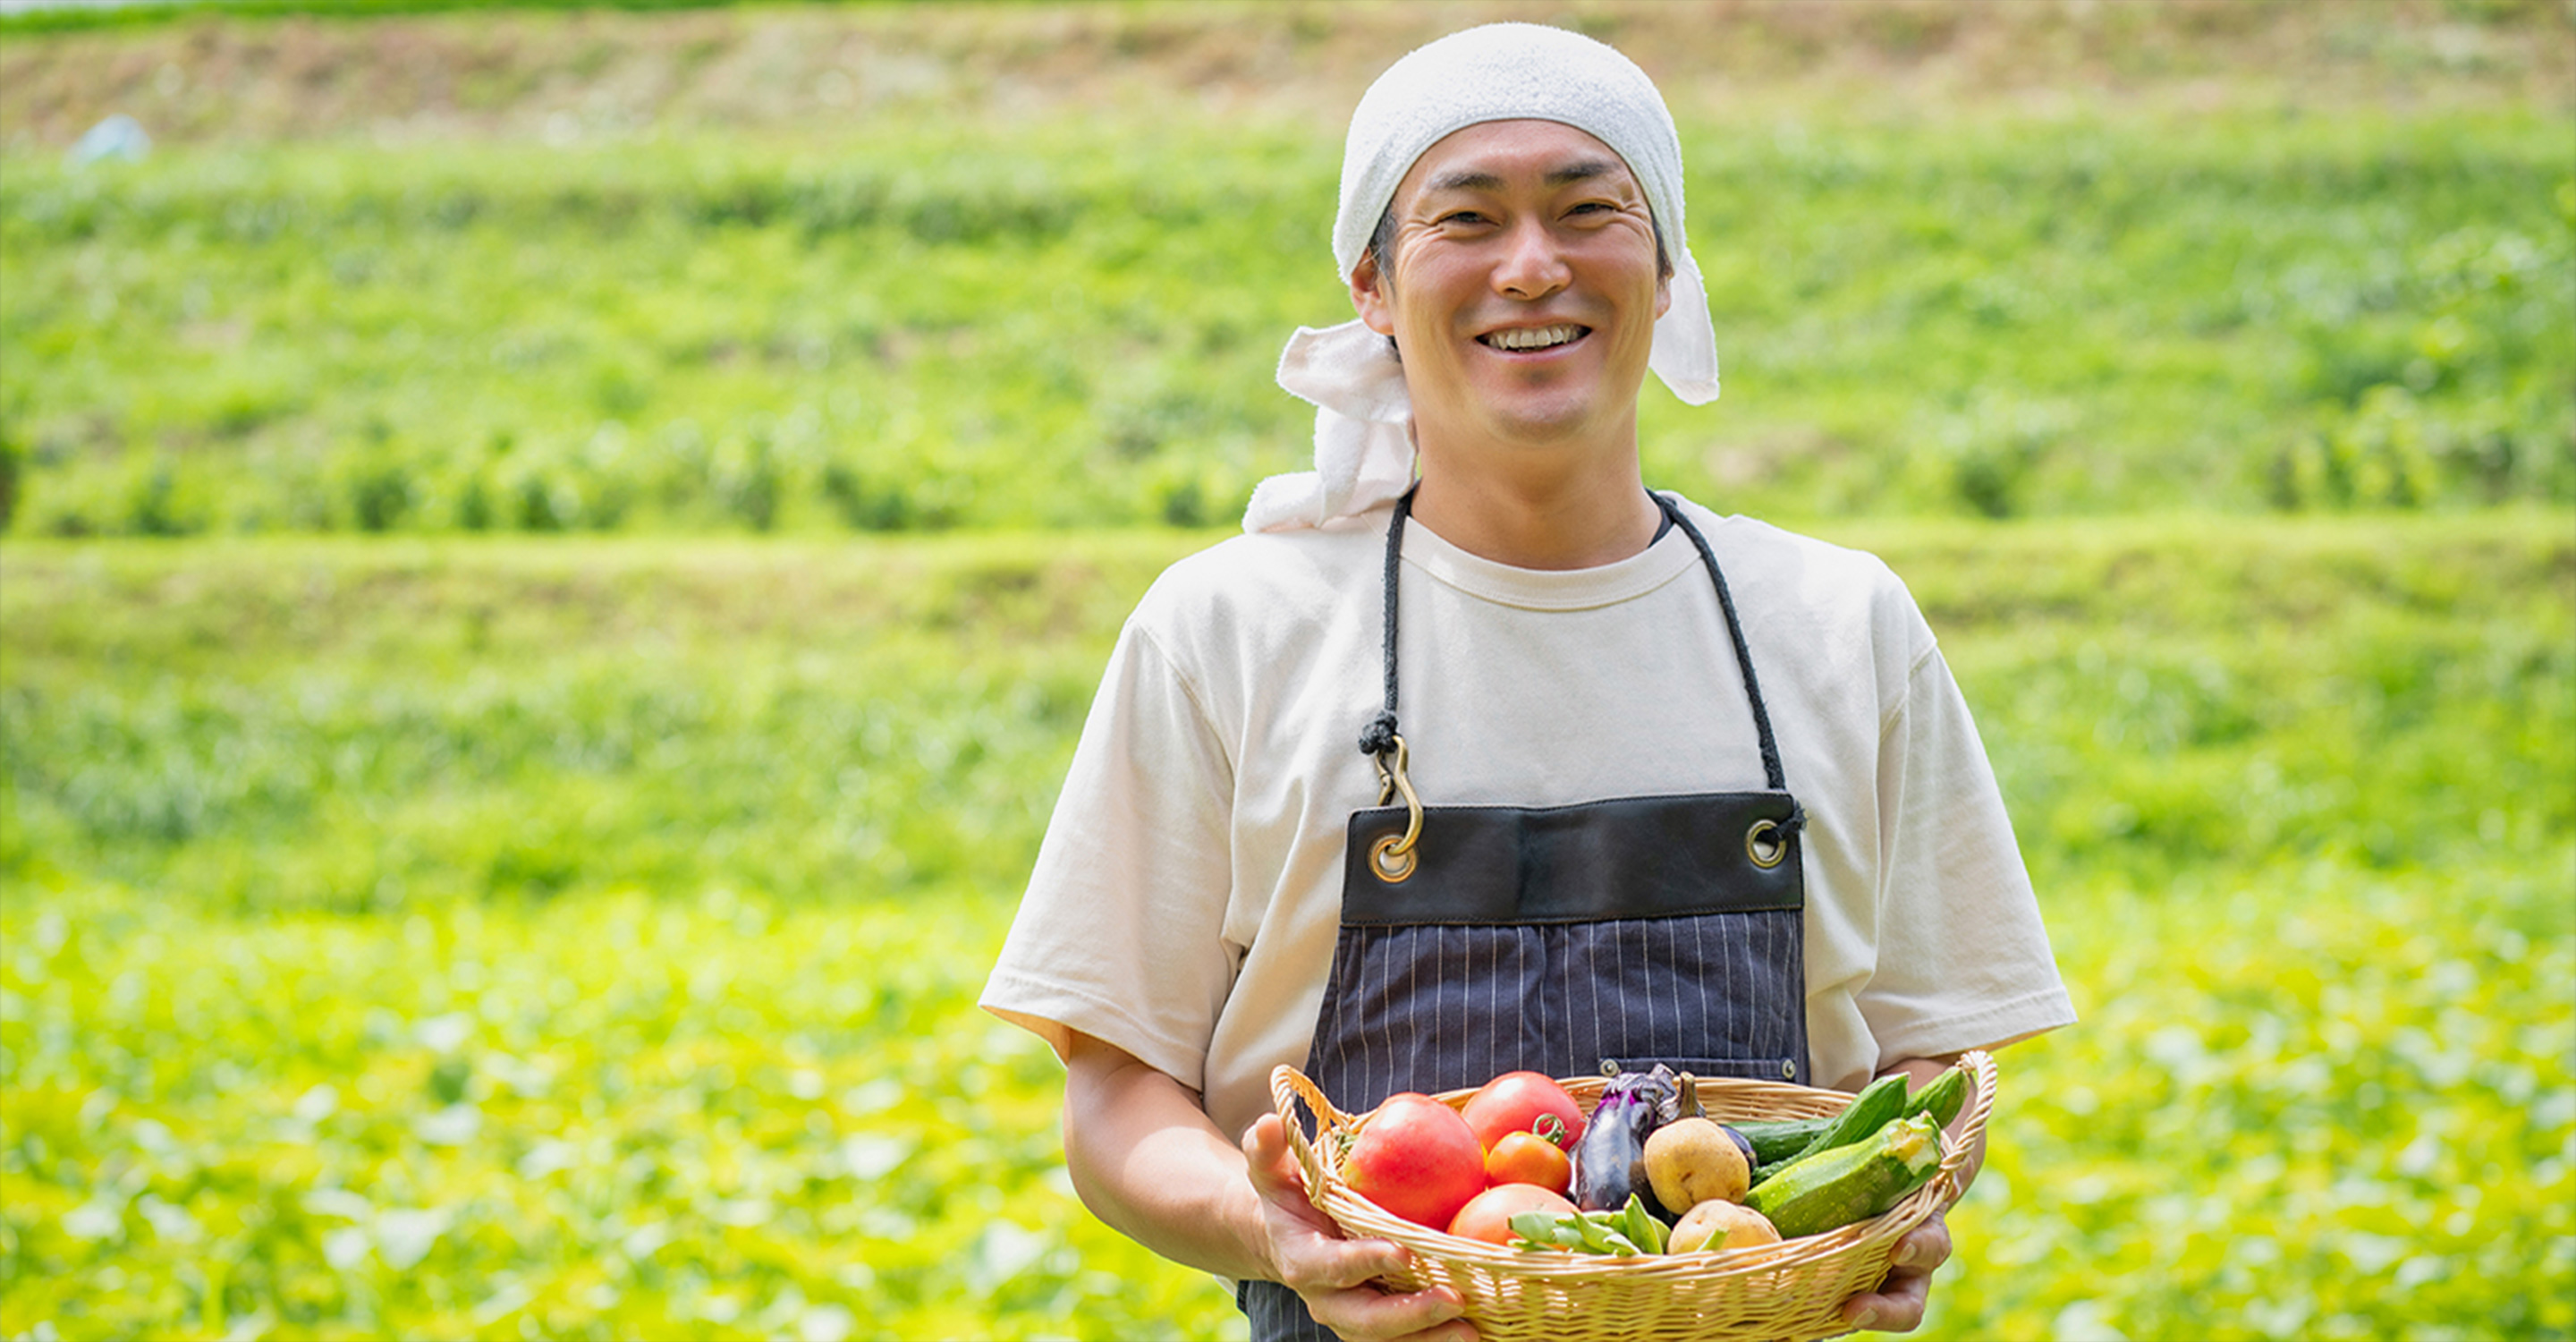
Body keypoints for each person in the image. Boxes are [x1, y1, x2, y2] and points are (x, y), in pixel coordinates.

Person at [980, 23, 2075, 1342]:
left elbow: (1930, 1063)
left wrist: (1882, 1215)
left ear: (1665, 267)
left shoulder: (1841, 623)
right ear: (1372, 284)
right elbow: (1114, 1098)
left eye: (1587, 209)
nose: (1533, 266)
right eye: (1467, 219)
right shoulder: (1226, 630)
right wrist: (1266, 1221)